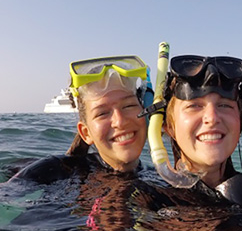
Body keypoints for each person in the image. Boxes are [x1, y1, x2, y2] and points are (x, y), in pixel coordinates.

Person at [11, 56, 149, 183]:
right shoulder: (50, 172)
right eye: (102, 113)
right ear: (86, 133)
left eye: (129, 106)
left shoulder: (161, 179)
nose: (120, 121)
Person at [161, 55, 242, 204]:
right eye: (194, 106)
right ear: (170, 128)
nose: (212, 118)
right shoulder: (149, 197)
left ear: (240, 125)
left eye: (224, 105)